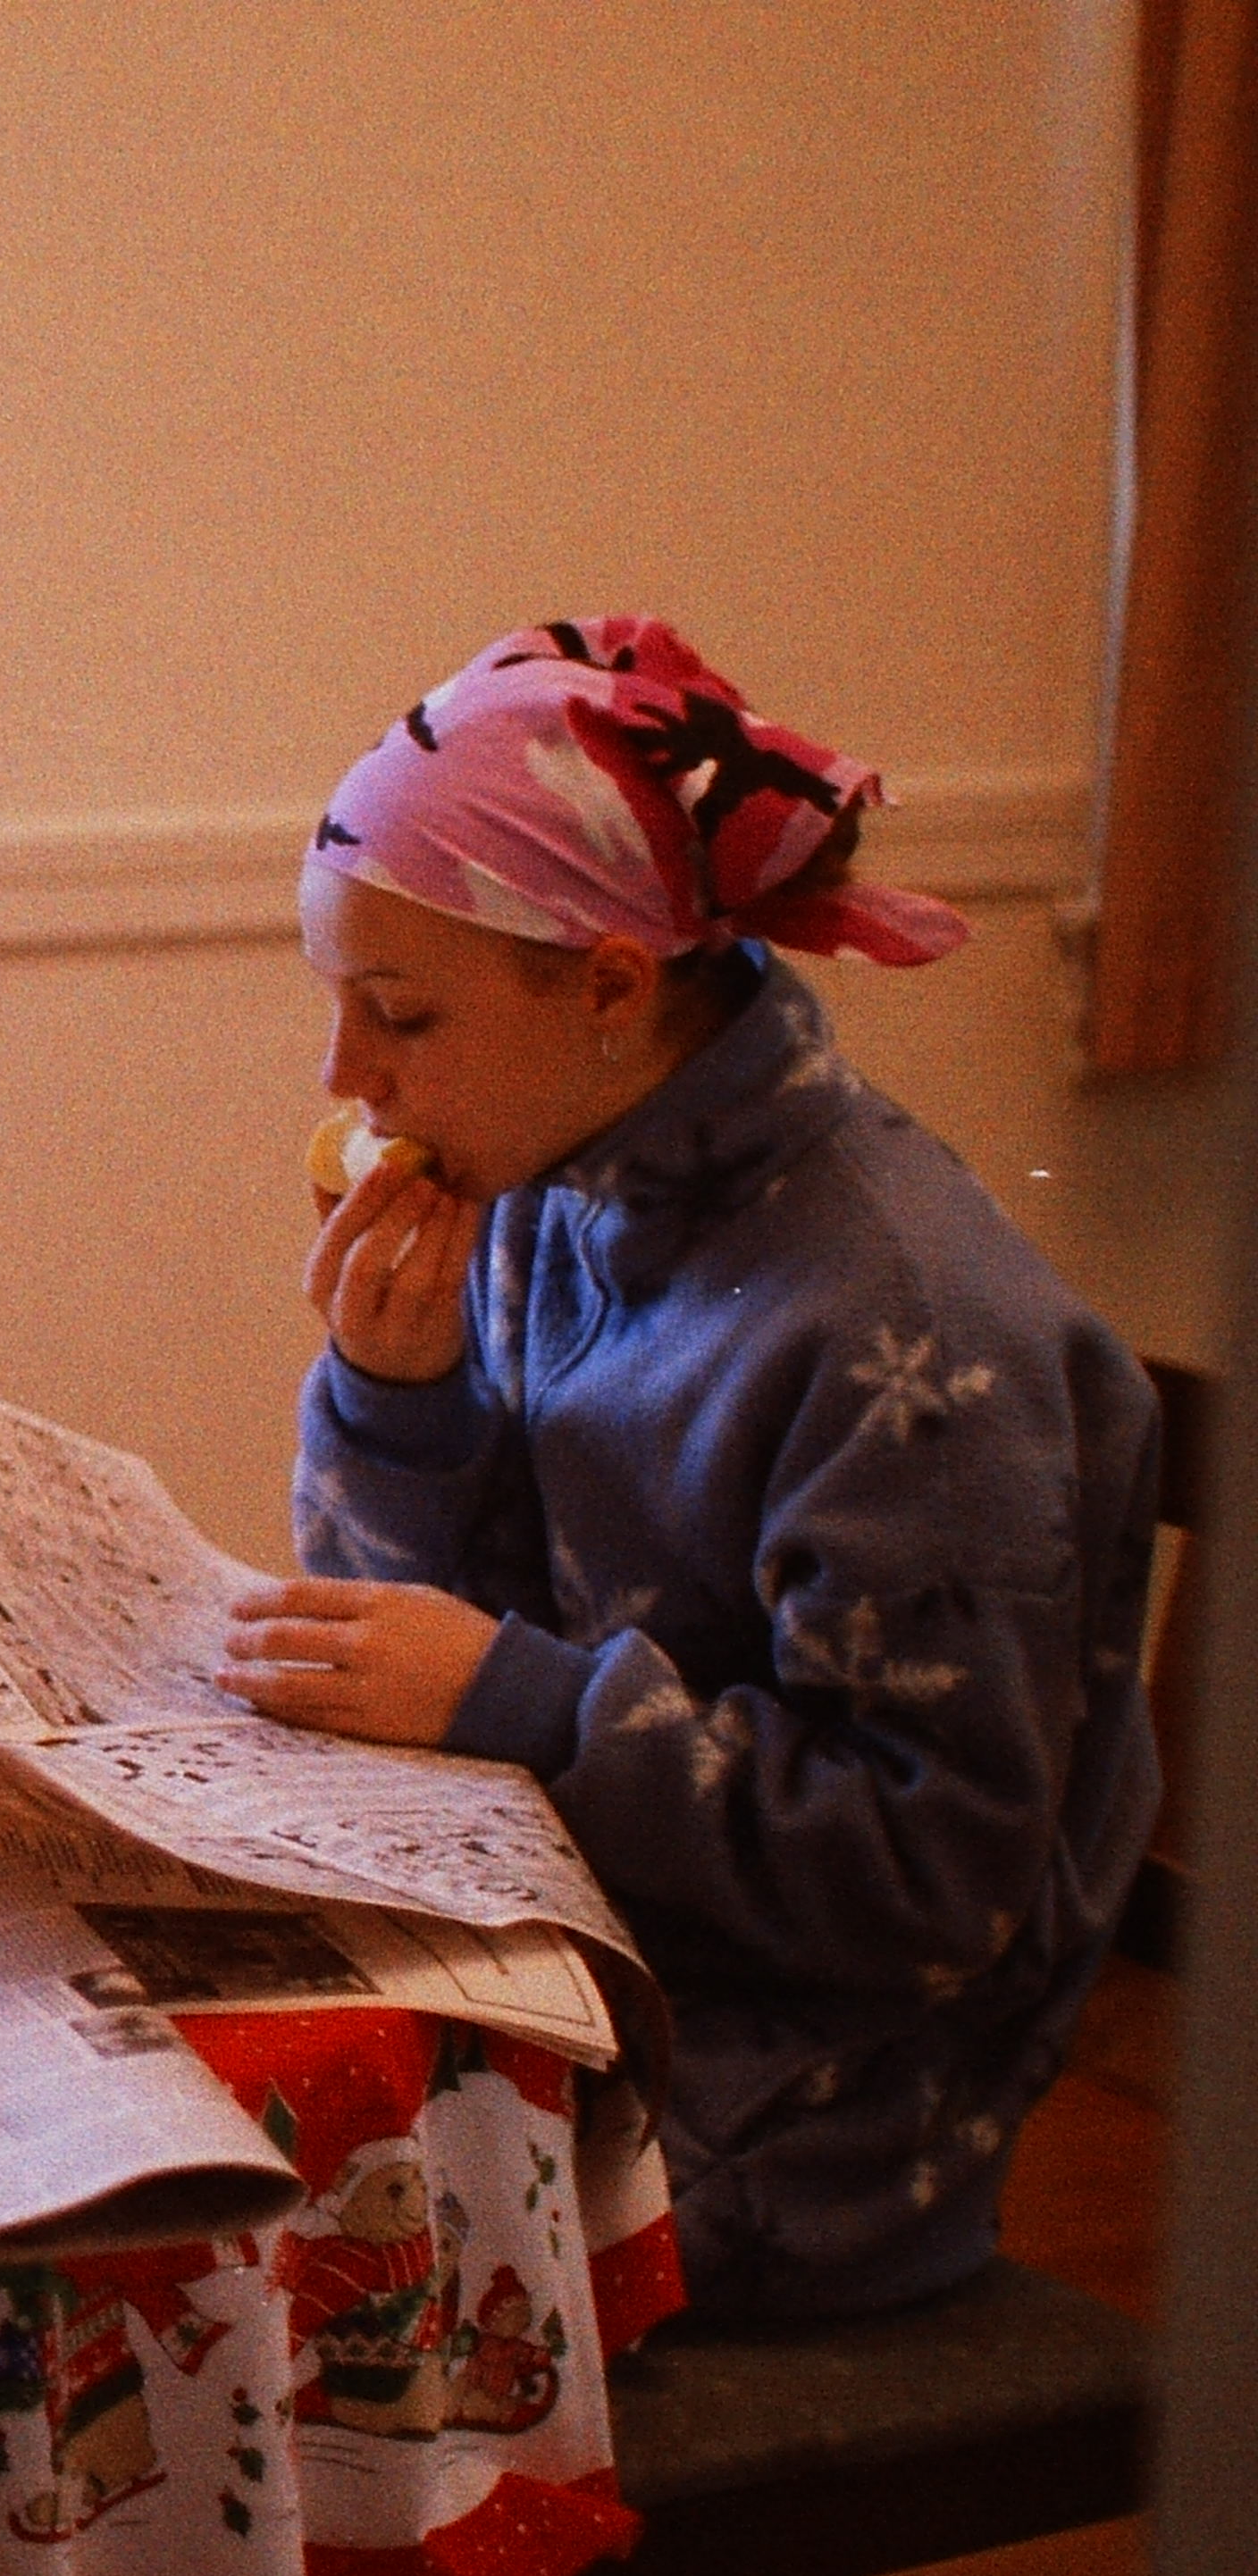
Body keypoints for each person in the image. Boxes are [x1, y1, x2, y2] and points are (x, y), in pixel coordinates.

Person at [216, 617, 1163, 2320]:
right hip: (580, 1946)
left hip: (799, 2122)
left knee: (220, 2243)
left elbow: (926, 1877)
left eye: (399, 1014)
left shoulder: (906, 1336)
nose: (345, 1080)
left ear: (606, 986)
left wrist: (526, 1707)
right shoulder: (551, 1180)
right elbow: (422, 1661)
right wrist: (400, 1405)